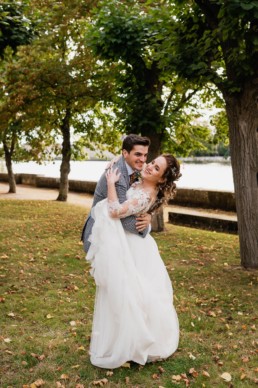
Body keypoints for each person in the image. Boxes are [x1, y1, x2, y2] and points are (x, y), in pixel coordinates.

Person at [86, 151, 181, 369]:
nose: (149, 167)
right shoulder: (143, 181)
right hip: (129, 243)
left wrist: (111, 183)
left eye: (156, 169)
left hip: (132, 247)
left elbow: (116, 211)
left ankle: (136, 340)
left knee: (132, 293)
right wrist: (114, 162)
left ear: (163, 179)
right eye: (152, 163)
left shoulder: (146, 193)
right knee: (128, 292)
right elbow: (129, 164)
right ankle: (121, 337)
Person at [81, 134, 152, 253]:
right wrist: (146, 228)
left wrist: (149, 216)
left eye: (145, 155)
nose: (143, 160)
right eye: (138, 154)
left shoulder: (135, 167)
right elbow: (122, 217)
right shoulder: (117, 175)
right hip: (101, 235)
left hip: (115, 235)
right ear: (125, 153)